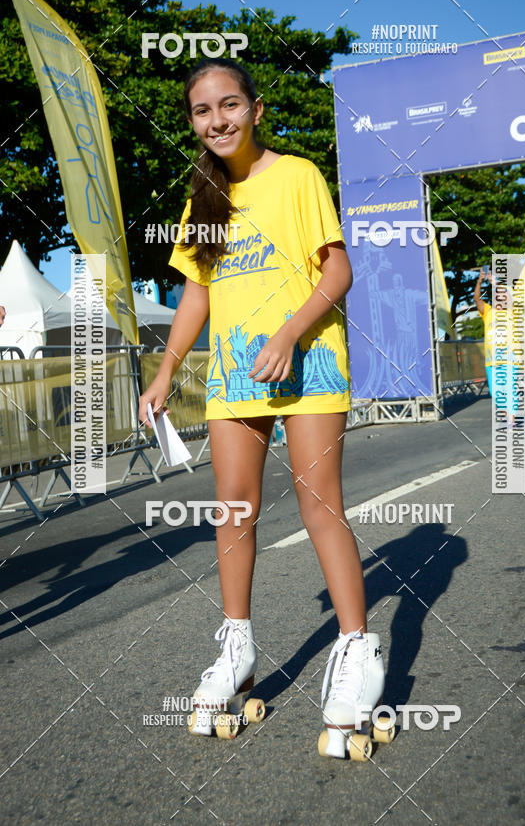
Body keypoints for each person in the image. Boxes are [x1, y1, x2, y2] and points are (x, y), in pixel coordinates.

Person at [138, 58, 386, 759]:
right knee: (235, 509)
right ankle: (238, 648)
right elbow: (196, 295)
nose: (217, 120)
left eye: (229, 105)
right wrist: (166, 373)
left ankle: (357, 652)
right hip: (235, 374)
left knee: (318, 504)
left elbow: (338, 268)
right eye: (201, 110)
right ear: (192, 120)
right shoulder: (204, 193)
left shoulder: (298, 175)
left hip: (307, 361)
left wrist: (288, 333)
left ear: (255, 108)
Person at [474, 269, 520, 422]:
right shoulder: (488, 312)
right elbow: (476, 299)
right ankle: (508, 415)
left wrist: (495, 284)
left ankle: (511, 419)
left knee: (510, 389)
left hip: (509, 358)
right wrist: (480, 281)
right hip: (492, 360)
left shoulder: (512, 311)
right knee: (495, 393)